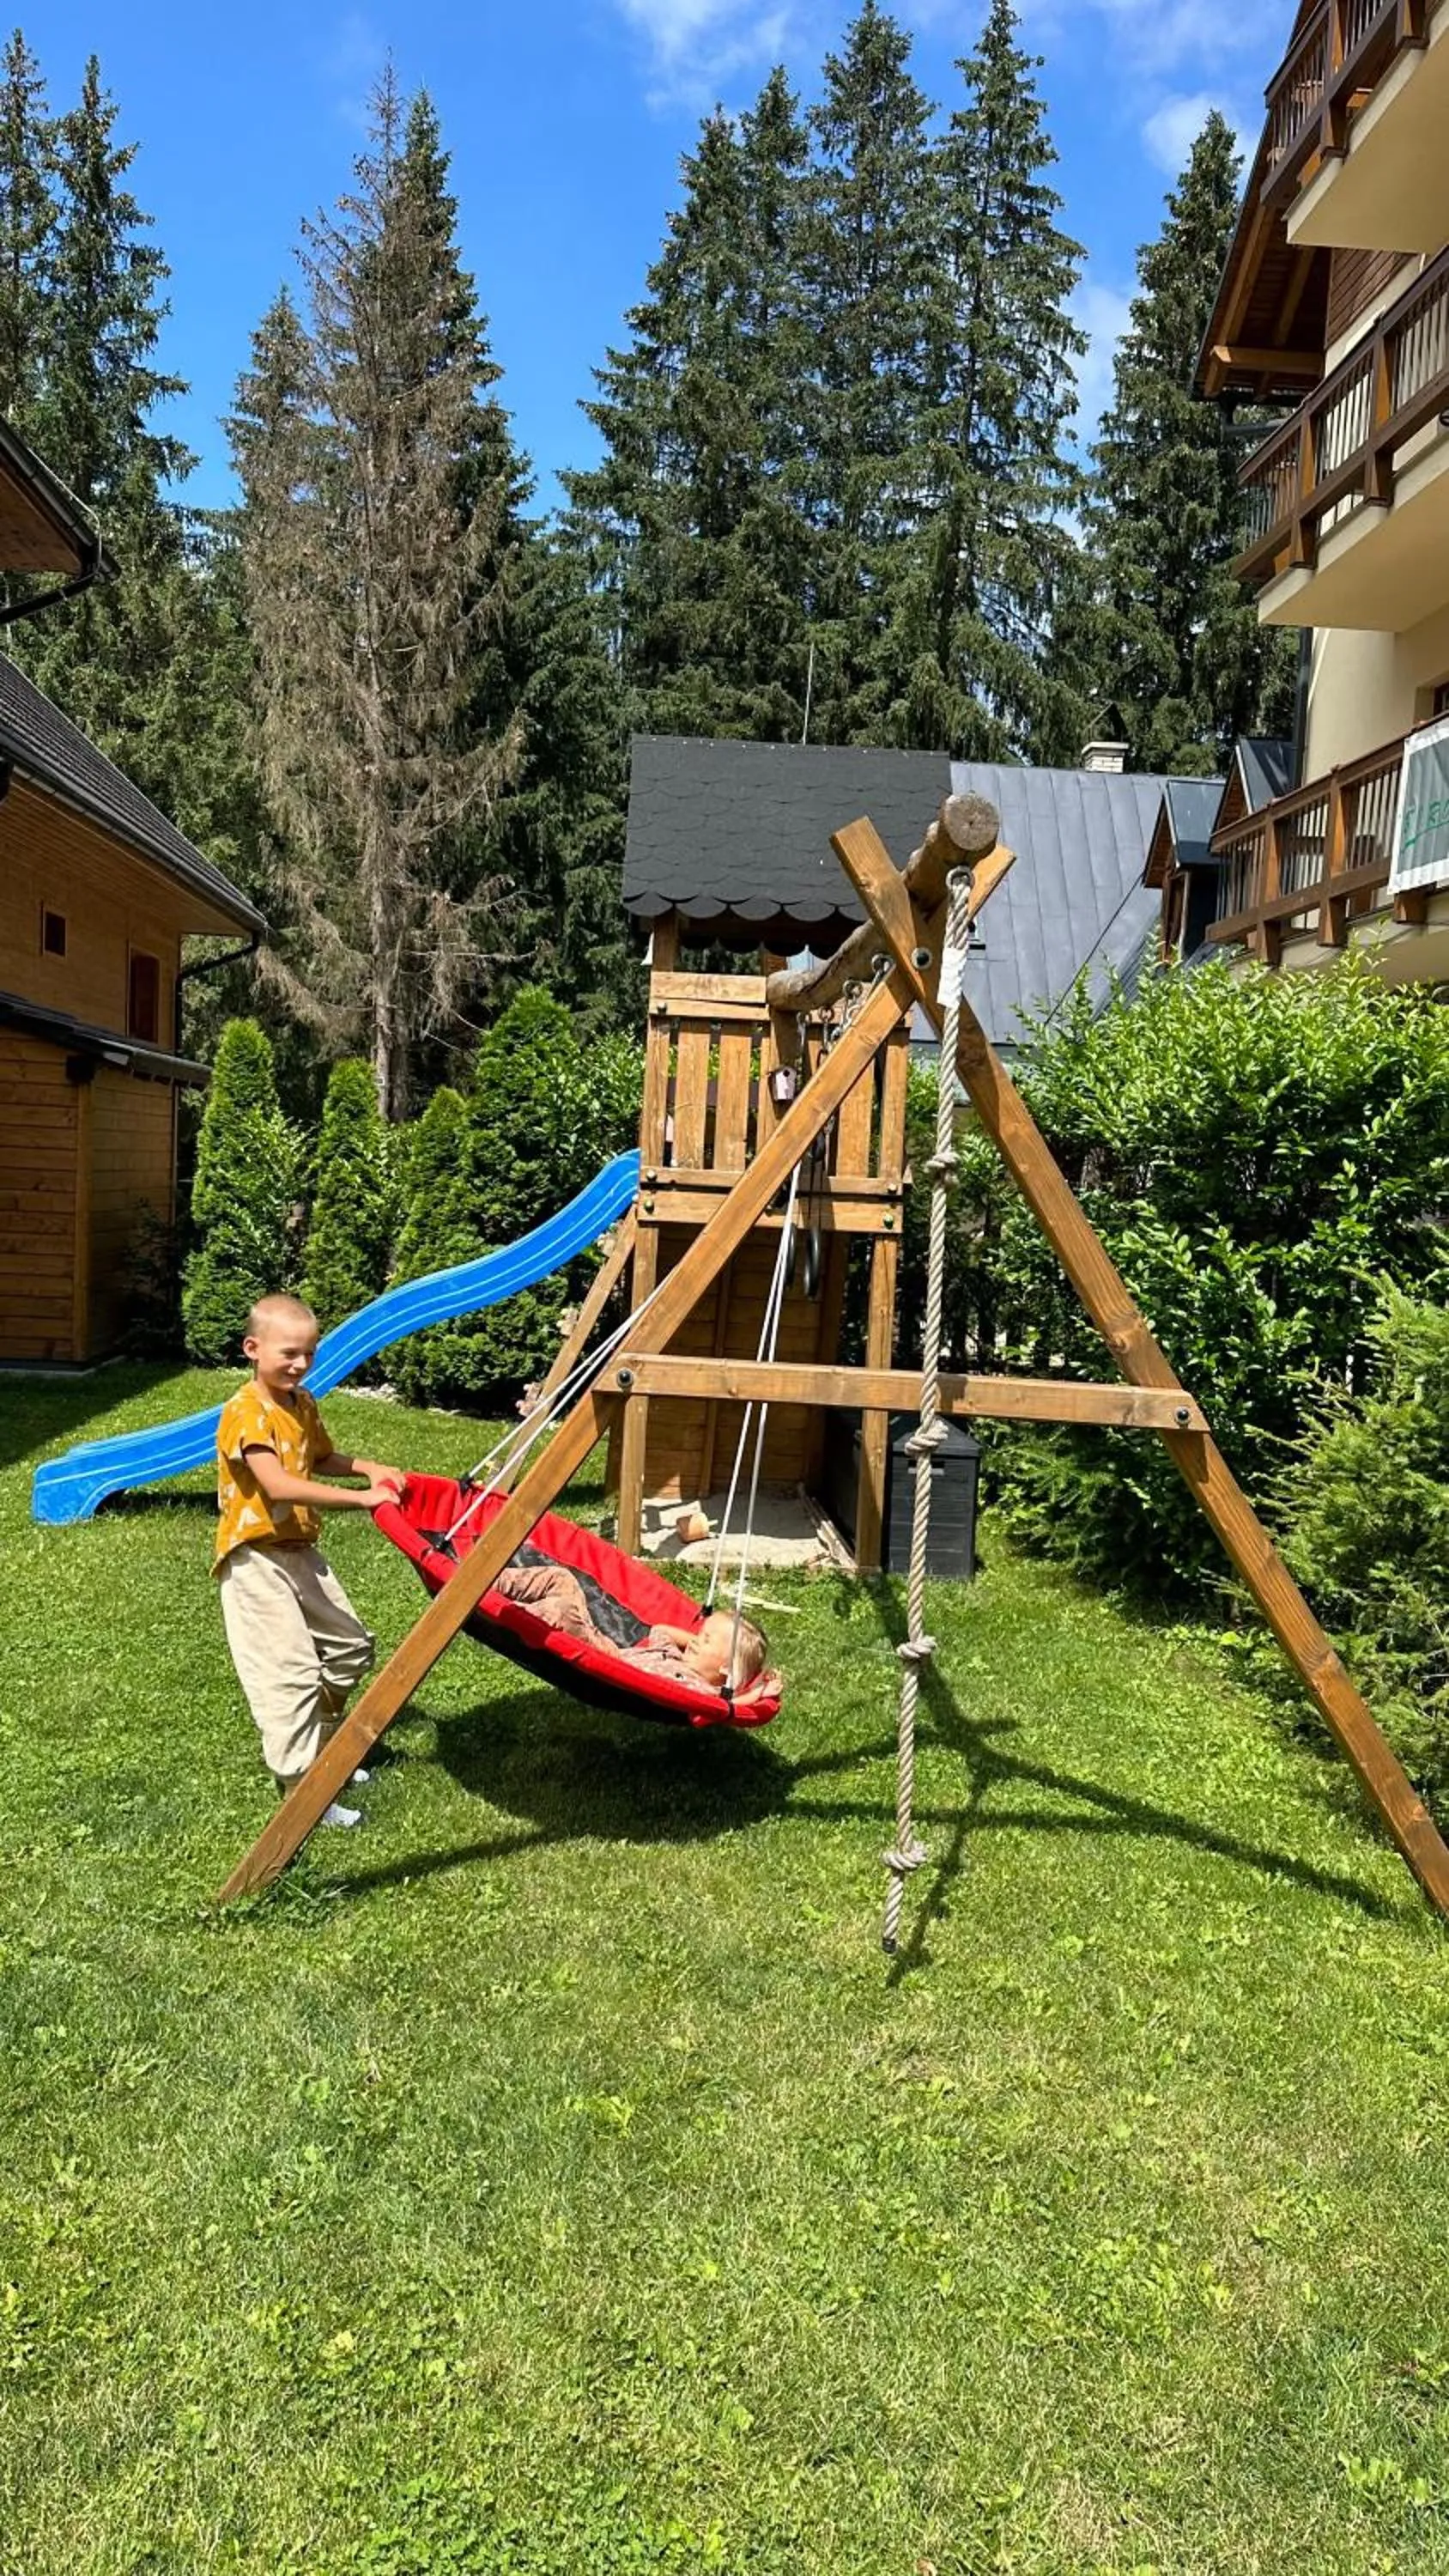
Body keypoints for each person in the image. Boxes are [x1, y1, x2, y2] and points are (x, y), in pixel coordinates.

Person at [215, 1292, 404, 1826]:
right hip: (254, 1558)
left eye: (309, 1355)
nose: (300, 1364)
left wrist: (368, 1467)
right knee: (291, 1673)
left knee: (350, 1647)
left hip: (297, 1548)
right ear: (254, 1349)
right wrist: (362, 1500)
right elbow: (276, 1482)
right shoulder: (246, 1412)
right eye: (288, 1354)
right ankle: (303, 1792)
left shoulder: (302, 1403)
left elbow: (320, 1457)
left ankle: (324, 1753)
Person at [491, 1558, 768, 1695]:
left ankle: (502, 1613)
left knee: (560, 1613)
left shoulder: (698, 1690)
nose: (695, 1640)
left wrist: (757, 1694)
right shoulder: (673, 1656)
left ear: (725, 1669)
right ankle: (491, 1584)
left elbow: (725, 1708)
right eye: (700, 1633)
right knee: (562, 1578)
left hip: (605, 1663)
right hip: (604, 1644)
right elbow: (660, 1629)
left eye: (706, 1640)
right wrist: (692, 1640)